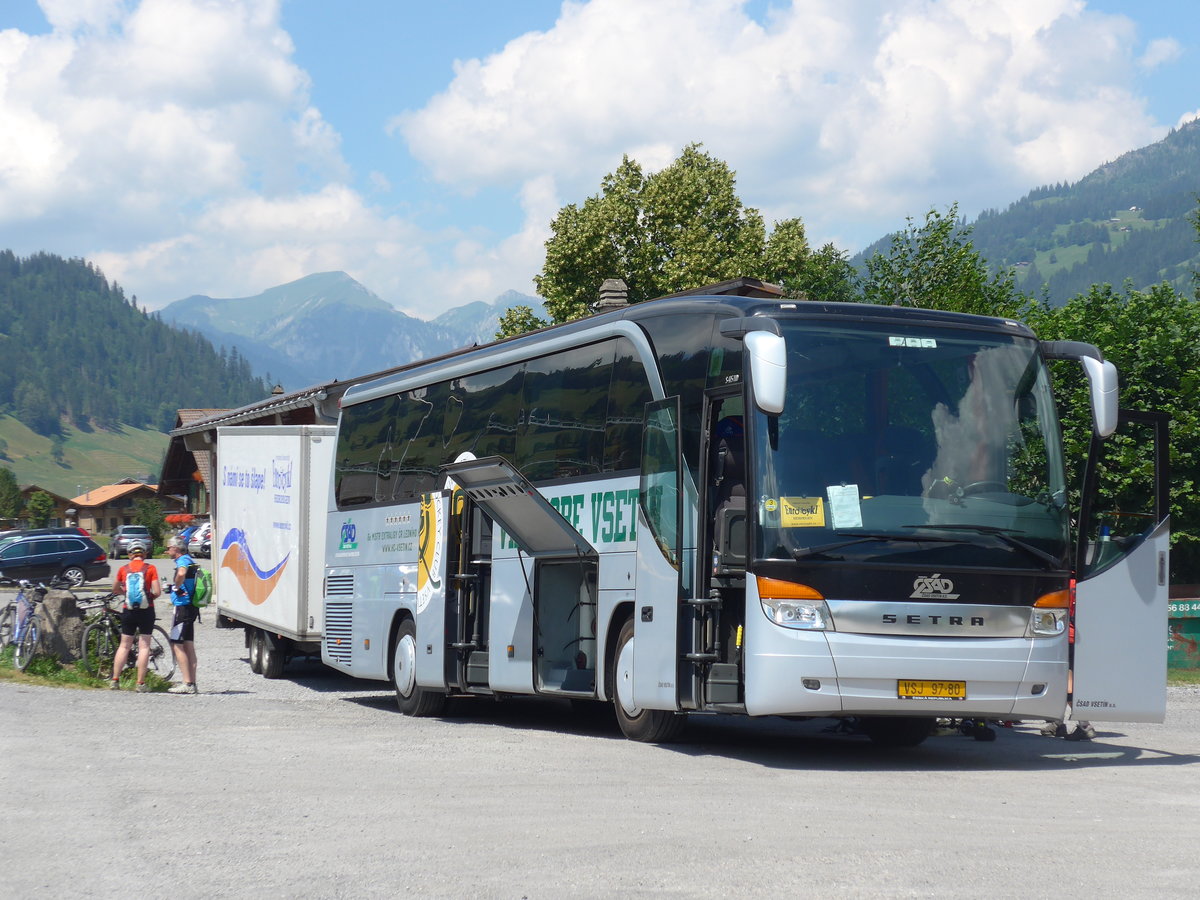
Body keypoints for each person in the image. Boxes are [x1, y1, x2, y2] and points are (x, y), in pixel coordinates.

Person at [109, 545, 161, 691]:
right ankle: (140, 684)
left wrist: (125, 594)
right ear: (144, 554)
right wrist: (148, 598)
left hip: (128, 610)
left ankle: (115, 680)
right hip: (146, 610)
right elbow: (157, 591)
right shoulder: (150, 568)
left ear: (129, 554)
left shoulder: (123, 569)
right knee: (144, 646)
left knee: (124, 645)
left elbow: (115, 589)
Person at [164, 536, 200, 694]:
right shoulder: (190, 559)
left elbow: (182, 573)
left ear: (176, 549)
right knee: (188, 645)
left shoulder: (182, 561)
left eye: (169, 548)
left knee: (176, 644)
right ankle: (192, 682)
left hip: (182, 607)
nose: (167, 551)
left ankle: (187, 683)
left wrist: (176, 586)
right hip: (191, 607)